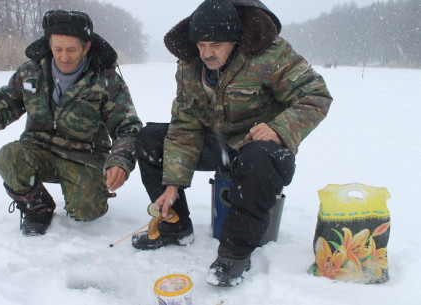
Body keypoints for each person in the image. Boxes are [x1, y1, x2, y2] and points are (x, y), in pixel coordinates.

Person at [132, 0, 332, 287]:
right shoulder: (190, 64)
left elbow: (316, 96)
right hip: (216, 145)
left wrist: (279, 128)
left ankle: (234, 252)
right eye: (201, 44)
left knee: (258, 158)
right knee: (150, 139)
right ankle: (174, 226)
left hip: (261, 149)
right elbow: (185, 124)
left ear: (235, 39)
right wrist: (172, 182)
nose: (206, 53)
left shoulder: (271, 55)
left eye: (215, 44)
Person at [0, 10, 142, 236]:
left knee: (88, 211)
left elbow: (128, 127)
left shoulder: (106, 79)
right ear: (49, 45)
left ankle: (86, 195)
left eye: (71, 50)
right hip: (37, 149)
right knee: (9, 157)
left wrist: (121, 161)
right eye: (57, 49)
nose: (63, 56)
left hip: (84, 156)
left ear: (86, 47)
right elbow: (1, 106)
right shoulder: (31, 71)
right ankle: (37, 207)